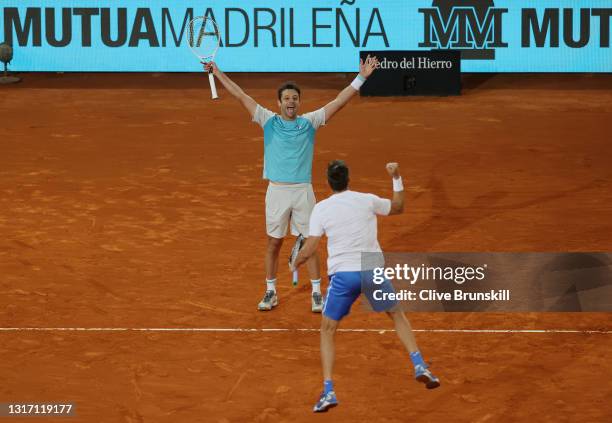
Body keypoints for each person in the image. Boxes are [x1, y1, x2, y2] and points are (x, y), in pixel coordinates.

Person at [204, 56, 379, 312]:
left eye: (294, 98)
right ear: (279, 102)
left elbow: (339, 101)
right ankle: (271, 291)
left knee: (310, 242)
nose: (290, 102)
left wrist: (361, 77)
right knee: (273, 243)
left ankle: (317, 293)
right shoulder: (268, 120)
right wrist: (217, 72)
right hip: (276, 191)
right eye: (286, 98)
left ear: (299, 102)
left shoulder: (310, 122)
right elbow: (241, 95)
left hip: (302, 192)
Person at [293, 160, 441, 412]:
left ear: (329, 183)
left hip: (344, 273)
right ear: (348, 180)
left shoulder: (321, 208)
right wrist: (396, 176)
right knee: (396, 315)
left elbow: (310, 247)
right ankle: (419, 364)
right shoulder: (367, 199)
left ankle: (328, 391)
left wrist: (295, 263)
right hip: (372, 267)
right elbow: (398, 207)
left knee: (327, 330)